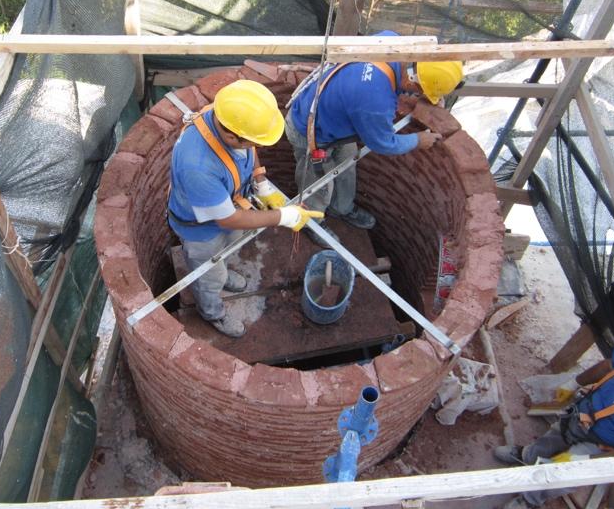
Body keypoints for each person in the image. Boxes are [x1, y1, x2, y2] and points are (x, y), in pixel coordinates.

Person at [167, 80, 323, 338]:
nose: (256, 147)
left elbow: (249, 148)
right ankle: (212, 312)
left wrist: (261, 182)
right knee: (208, 277)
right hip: (201, 231)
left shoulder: (228, 117)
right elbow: (228, 219)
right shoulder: (197, 166)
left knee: (228, 249)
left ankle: (224, 273)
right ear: (230, 136)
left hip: (229, 205)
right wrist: (282, 217)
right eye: (254, 142)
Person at [284, 30, 463, 246]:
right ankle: (312, 222)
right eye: (420, 92)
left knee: (347, 167)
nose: (417, 96)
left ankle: (342, 208)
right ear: (414, 82)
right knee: (318, 184)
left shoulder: (391, 40)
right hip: (309, 132)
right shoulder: (375, 102)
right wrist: (418, 140)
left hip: (334, 124)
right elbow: (382, 143)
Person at [493, 346, 614, 509]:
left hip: (601, 444)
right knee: (553, 438)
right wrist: (574, 383)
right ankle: (527, 456)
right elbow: (607, 366)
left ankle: (531, 499)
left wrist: (583, 462)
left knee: (565, 475)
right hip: (581, 415)